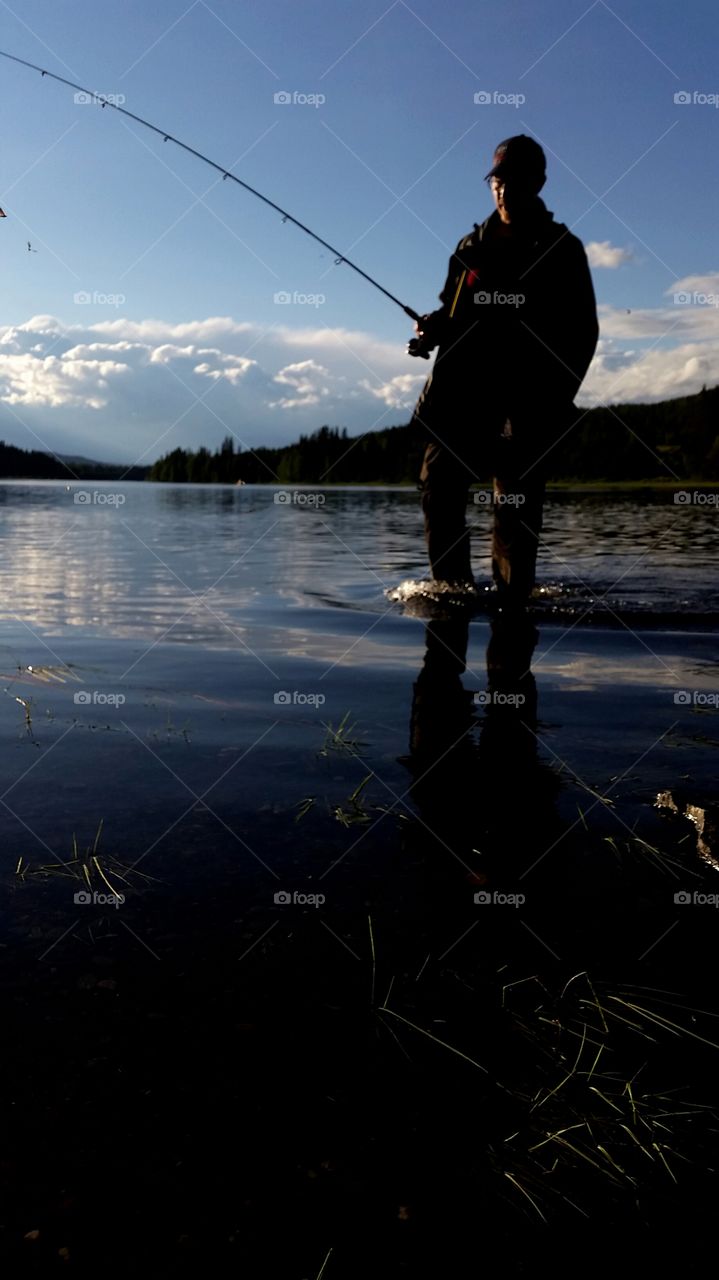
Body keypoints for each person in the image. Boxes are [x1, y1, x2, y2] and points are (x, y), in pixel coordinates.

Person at [409, 134, 599, 608]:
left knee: (513, 513)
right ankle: (452, 599)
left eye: (512, 179)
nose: (502, 188)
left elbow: (583, 334)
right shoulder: (468, 247)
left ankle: (512, 614)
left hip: (527, 406)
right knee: (438, 486)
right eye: (496, 179)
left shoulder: (563, 249)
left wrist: (552, 403)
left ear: (538, 182)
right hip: (461, 398)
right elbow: (452, 313)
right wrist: (434, 330)